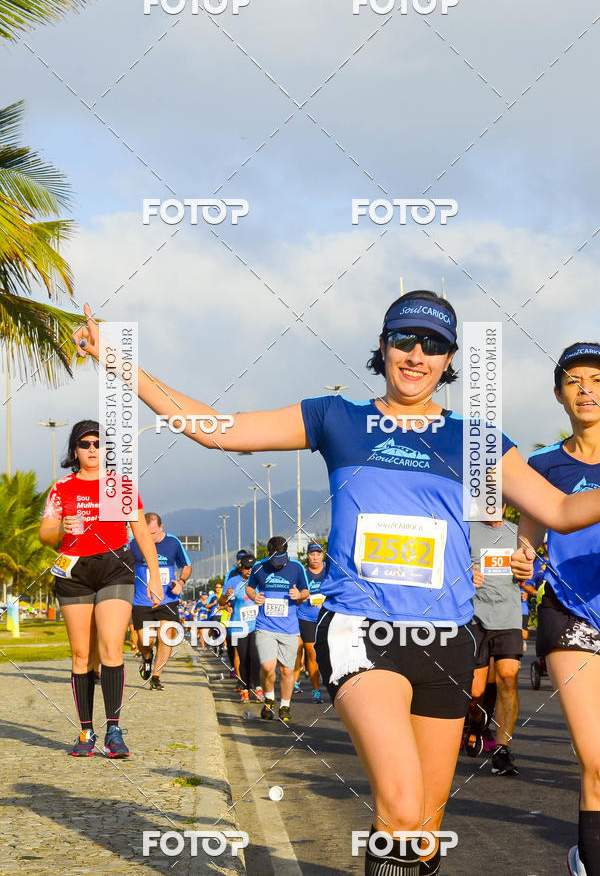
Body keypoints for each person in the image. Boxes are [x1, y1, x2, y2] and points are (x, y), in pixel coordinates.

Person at [74, 296, 600, 876]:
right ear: (382, 345)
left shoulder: (477, 440)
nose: (416, 354)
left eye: (432, 344)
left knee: (422, 831)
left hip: (448, 639)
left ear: (449, 358)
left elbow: (562, 510)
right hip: (361, 630)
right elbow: (216, 430)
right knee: (400, 805)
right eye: (404, 339)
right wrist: (120, 363)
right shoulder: (338, 418)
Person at [512, 342, 600, 876]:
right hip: (571, 613)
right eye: (574, 381)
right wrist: (523, 567)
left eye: (596, 378)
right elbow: (527, 548)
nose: (587, 389)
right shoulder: (541, 467)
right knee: (596, 760)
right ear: (558, 395)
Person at [38, 420, 162, 758]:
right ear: (74, 451)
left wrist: (154, 575)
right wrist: (60, 526)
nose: (92, 449)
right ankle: (85, 731)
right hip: (74, 571)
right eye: (85, 444)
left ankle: (114, 729)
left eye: (98, 443)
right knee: (81, 655)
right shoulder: (61, 489)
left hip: (115, 570)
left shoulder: (119, 485)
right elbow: (45, 536)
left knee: (111, 648)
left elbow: (140, 532)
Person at [463, 508, 522, 775]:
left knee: (508, 676)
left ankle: (502, 750)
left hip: (508, 617)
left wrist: (527, 570)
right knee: (474, 693)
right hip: (475, 617)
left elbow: (528, 569)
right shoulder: (466, 529)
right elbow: (447, 565)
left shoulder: (518, 533)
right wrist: (466, 575)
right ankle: (476, 723)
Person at [245, 537, 309, 723]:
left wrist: (299, 595)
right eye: (275, 562)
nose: (279, 565)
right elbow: (249, 587)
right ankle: (269, 699)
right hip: (264, 626)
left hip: (289, 628)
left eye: (281, 561)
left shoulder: (296, 567)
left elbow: (305, 592)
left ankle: (285, 705)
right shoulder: (259, 567)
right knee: (267, 666)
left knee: (287, 671)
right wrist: (254, 596)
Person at [130, 512, 191, 690]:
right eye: (148, 534)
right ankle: (147, 656)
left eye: (155, 534)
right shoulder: (134, 543)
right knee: (145, 640)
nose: (152, 538)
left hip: (168, 599)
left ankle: (156, 676)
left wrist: (181, 582)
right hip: (142, 600)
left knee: (166, 636)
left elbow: (186, 565)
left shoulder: (173, 542)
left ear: (162, 528)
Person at [221, 553, 262, 702]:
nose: (249, 571)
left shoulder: (260, 580)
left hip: (257, 625)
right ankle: (245, 688)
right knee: (243, 658)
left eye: (252, 568)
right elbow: (221, 602)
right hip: (239, 625)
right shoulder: (233, 581)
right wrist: (226, 596)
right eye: (246, 568)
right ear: (241, 568)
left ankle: (257, 687)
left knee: (256, 658)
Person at [294, 541, 327, 703]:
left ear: (323, 555)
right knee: (310, 652)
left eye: (318, 554)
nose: (315, 557)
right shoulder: (303, 573)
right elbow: (296, 601)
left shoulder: (329, 570)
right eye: (312, 554)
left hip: (327, 616)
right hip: (306, 617)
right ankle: (316, 691)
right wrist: (302, 597)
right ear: (307, 556)